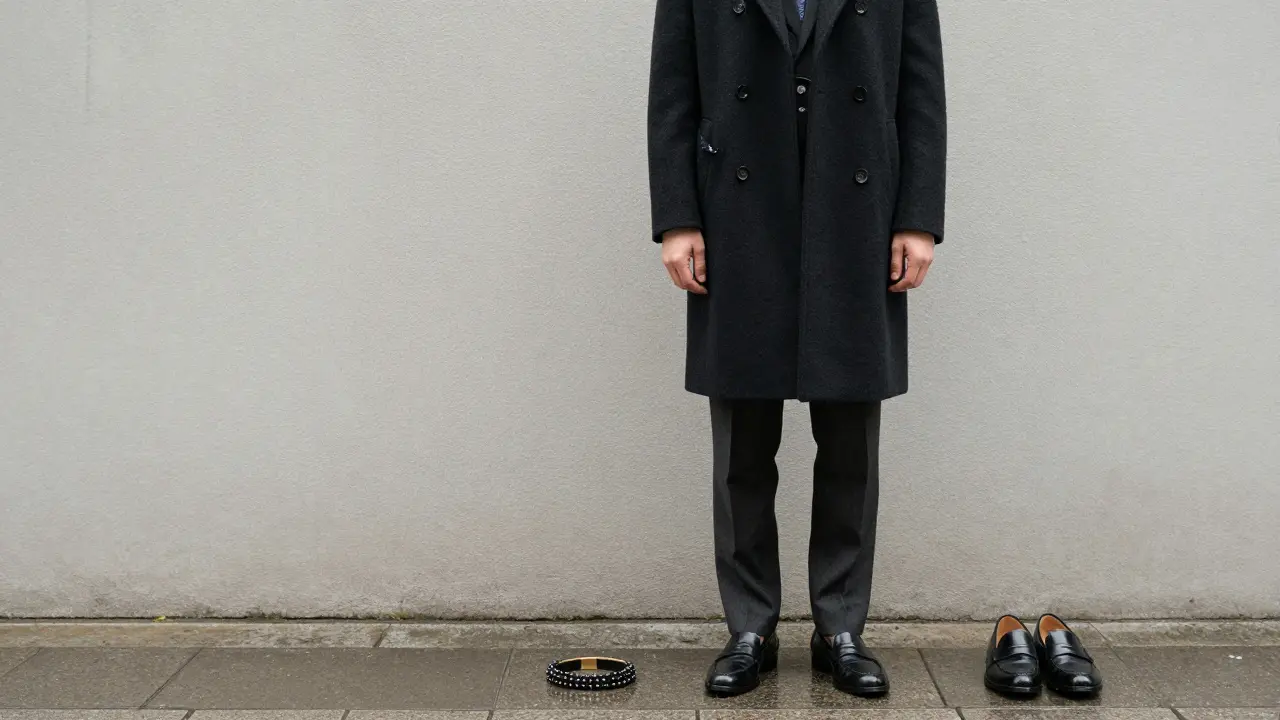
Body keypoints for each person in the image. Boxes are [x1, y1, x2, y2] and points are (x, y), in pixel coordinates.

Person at [646, 0, 947, 698]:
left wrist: (918, 219)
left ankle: (840, 629)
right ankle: (749, 628)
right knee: (742, 447)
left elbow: (922, 89)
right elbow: (672, 89)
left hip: (857, 206)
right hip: (739, 208)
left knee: (850, 445)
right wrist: (677, 217)